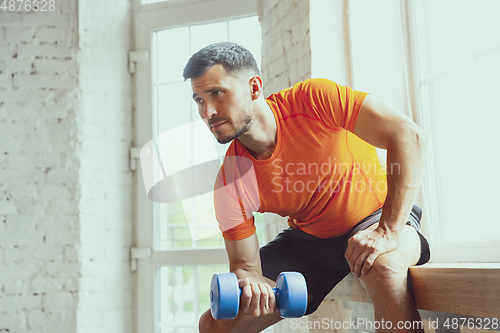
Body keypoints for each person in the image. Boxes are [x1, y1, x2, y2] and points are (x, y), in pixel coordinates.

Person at [183, 41, 430, 333]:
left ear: (253, 87)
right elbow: (244, 267)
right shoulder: (230, 180)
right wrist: (251, 283)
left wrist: (388, 231)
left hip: (375, 217)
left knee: (384, 269)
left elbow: (409, 136)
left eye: (217, 94)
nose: (207, 112)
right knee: (215, 325)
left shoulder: (314, 99)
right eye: (199, 99)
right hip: (310, 243)